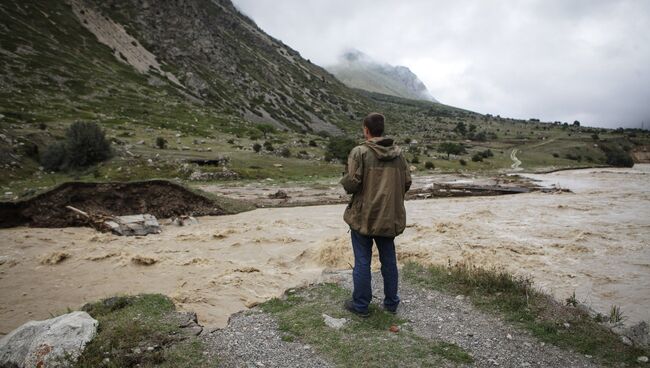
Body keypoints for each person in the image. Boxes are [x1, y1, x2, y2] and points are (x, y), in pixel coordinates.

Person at [340, 112, 411, 317]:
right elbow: (406, 183)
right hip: (389, 217)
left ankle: (361, 306)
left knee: (362, 260)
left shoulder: (359, 152)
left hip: (364, 216)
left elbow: (352, 184)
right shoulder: (399, 155)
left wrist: (344, 180)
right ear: (382, 130)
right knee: (389, 259)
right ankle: (391, 303)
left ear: (366, 130)